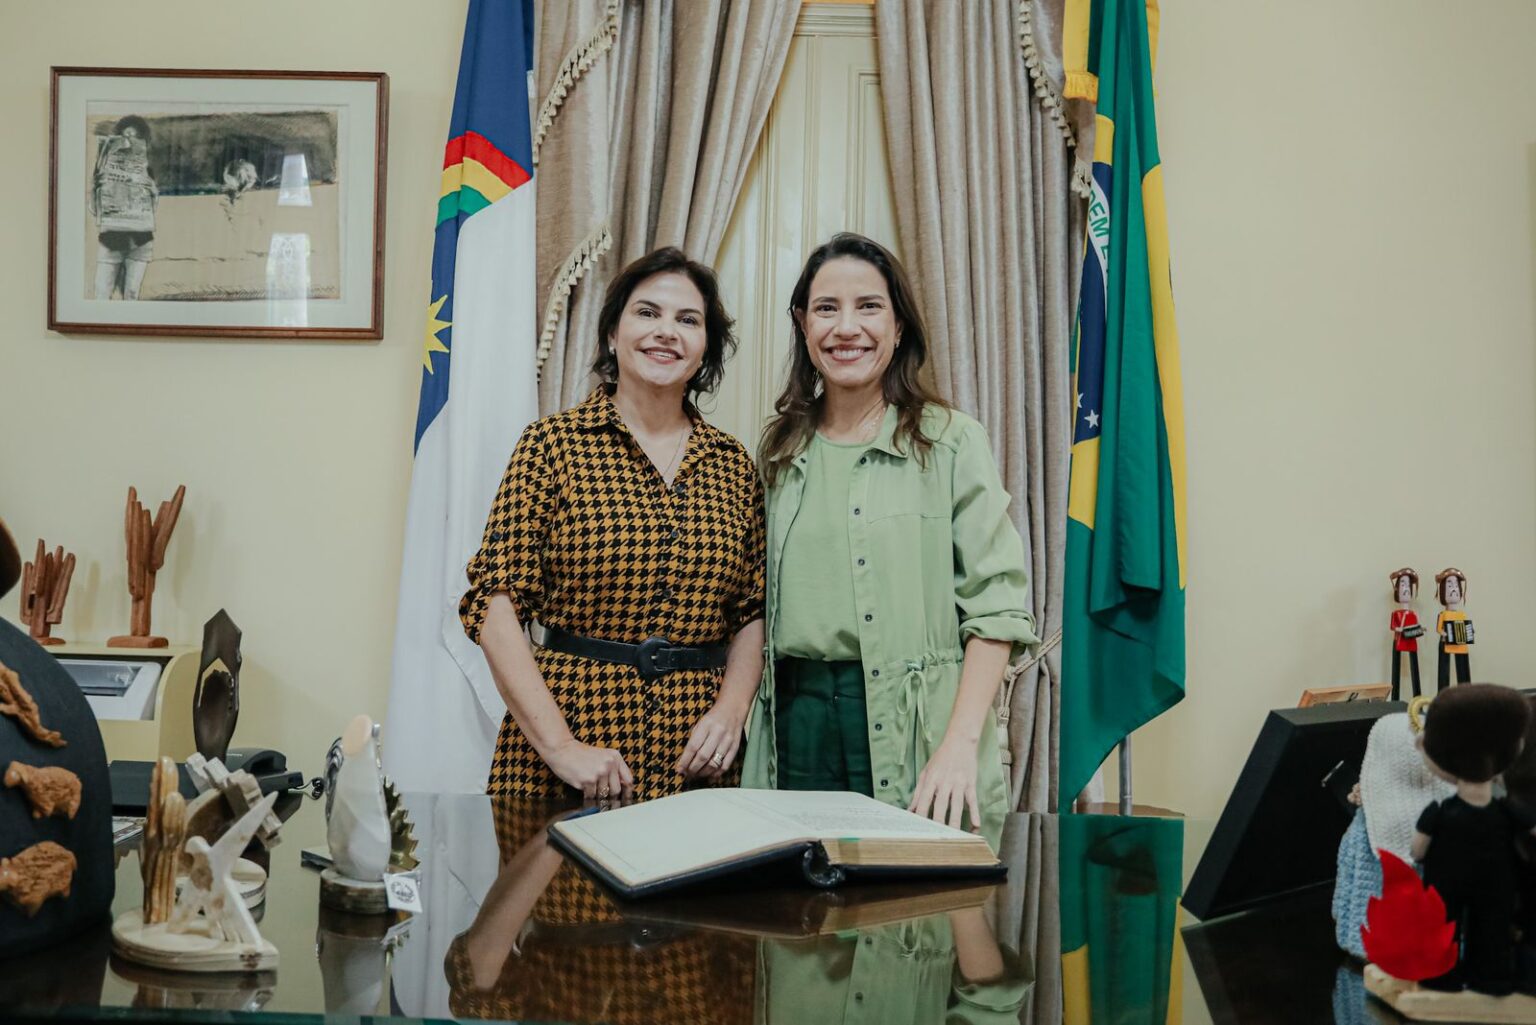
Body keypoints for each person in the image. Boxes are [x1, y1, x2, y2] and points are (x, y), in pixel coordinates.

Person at [742, 233, 1036, 848]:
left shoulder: (951, 441)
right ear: (802, 324)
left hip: (915, 728)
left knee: (914, 900)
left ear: (899, 325)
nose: (846, 328)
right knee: (794, 901)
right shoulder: (778, 449)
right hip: (795, 722)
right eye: (827, 308)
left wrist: (960, 744)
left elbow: (997, 608)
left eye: (869, 307)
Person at [460, 248, 765, 803]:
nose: (666, 331)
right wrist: (562, 747)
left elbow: (752, 611)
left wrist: (731, 712)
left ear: (706, 347)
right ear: (611, 334)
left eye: (688, 320)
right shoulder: (551, 446)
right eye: (647, 313)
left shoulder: (733, 465)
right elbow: (495, 606)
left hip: (697, 754)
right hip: (566, 743)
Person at [91, 115, 158, 300]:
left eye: (134, 137)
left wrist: (152, 190)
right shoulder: (103, 169)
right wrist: (96, 188)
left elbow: (152, 211)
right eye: (125, 136)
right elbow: (94, 211)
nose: (129, 141)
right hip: (111, 238)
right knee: (101, 293)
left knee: (131, 294)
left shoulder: (147, 170)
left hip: (141, 239)